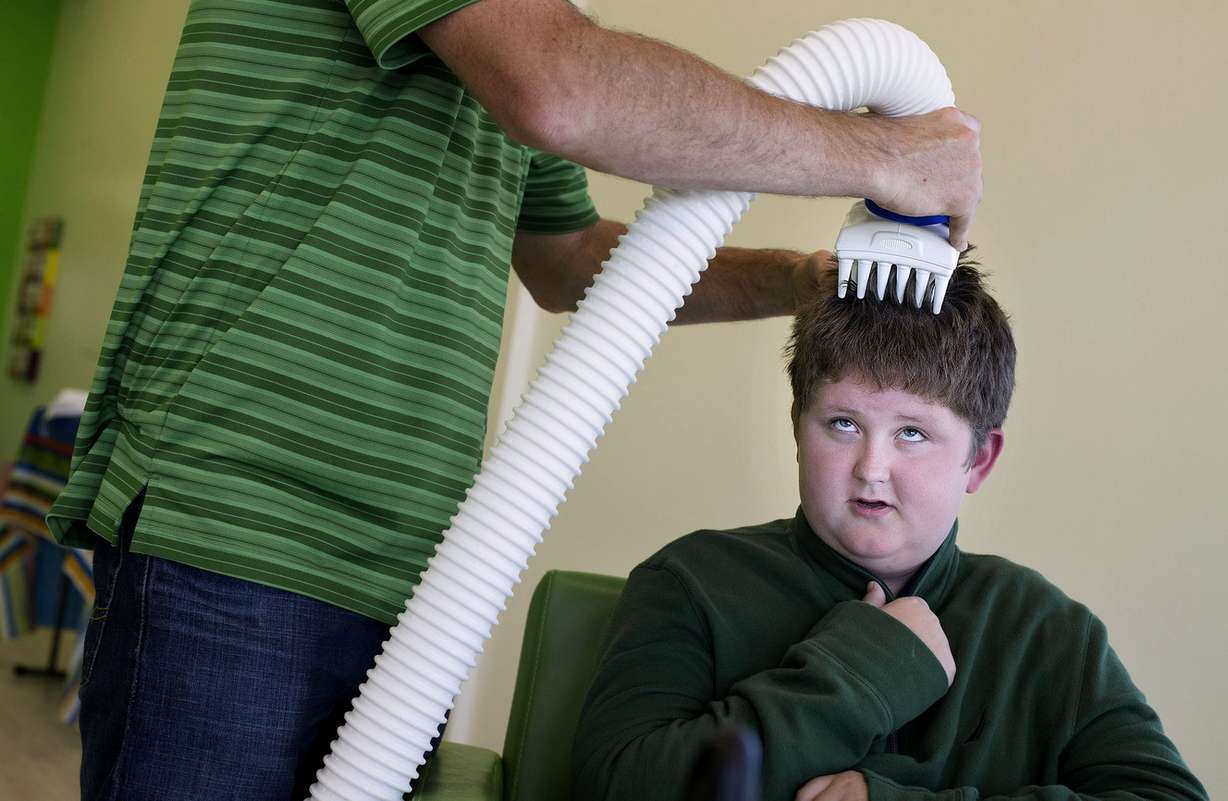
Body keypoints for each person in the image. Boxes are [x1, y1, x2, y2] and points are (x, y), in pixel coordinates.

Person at [46, 1, 981, 799]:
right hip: (248, 522)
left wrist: (805, 279)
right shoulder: (521, 48)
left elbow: (572, 261)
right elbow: (558, 89)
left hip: (415, 564)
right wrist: (881, 157)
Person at [572, 258, 1209, 801]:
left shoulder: (1044, 627)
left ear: (977, 461)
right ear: (798, 428)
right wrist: (862, 674)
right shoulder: (690, 582)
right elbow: (611, 785)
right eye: (843, 424)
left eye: (913, 433)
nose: (871, 469)